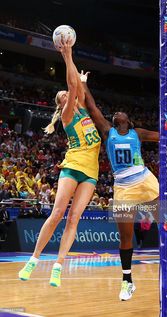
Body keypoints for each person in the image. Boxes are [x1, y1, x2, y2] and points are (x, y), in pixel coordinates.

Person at [80, 72, 167, 300]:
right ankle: (127, 281)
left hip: (145, 181)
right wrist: (83, 84)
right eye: (114, 113)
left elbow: (166, 135)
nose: (117, 112)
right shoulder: (109, 132)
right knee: (125, 237)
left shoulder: (137, 134)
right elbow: (92, 107)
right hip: (123, 188)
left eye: (120, 112)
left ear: (127, 119)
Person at [18, 38, 101, 287]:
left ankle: (58, 265)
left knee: (74, 219)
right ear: (62, 103)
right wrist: (67, 55)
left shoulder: (84, 109)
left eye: (68, 93)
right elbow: (73, 84)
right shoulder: (66, 116)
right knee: (57, 214)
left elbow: (77, 86)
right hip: (73, 166)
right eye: (63, 95)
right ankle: (33, 260)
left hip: (92, 171)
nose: (67, 94)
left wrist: (81, 80)